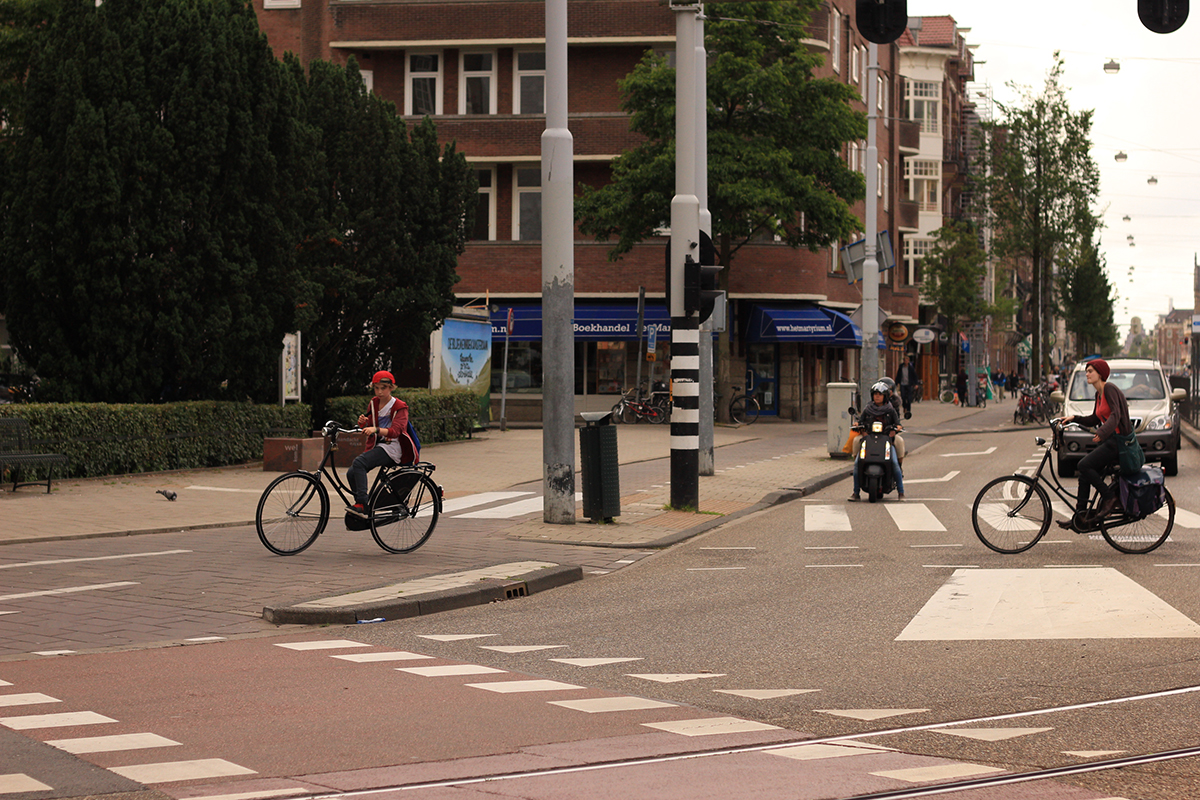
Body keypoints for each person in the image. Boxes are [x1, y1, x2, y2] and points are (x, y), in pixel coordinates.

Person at [1058, 359, 1131, 527]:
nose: (1087, 374)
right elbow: (1094, 418)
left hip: (1118, 442)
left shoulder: (1109, 389)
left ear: (1100, 374)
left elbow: (1116, 415)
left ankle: (1109, 497)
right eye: (1086, 371)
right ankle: (1080, 517)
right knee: (1084, 475)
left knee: (1083, 465)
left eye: (1090, 371)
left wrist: (1102, 431)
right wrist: (1073, 419)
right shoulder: (1099, 394)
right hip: (1110, 440)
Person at [347, 371, 419, 517]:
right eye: (376, 388)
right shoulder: (373, 403)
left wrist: (376, 429)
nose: (379, 392)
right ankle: (363, 506)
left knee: (359, 462)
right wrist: (363, 424)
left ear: (391, 388)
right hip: (378, 446)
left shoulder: (400, 406)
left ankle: (362, 504)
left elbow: (396, 431)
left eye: (383, 388)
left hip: (394, 448)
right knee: (352, 473)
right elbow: (371, 425)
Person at [849, 382, 904, 502]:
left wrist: (897, 428)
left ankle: (901, 492)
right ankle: (856, 492)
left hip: (886, 441)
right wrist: (857, 424)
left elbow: (898, 423)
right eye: (875, 394)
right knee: (858, 463)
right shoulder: (868, 409)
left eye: (880, 394)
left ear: (885, 396)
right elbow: (861, 420)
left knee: (894, 462)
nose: (877, 396)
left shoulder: (890, 410)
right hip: (869, 439)